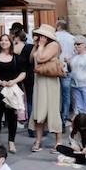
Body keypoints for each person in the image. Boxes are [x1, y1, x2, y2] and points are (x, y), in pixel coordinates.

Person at [28, 24, 62, 152]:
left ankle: (58, 142)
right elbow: (32, 58)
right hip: (39, 81)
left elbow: (41, 58)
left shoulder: (54, 45)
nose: (39, 37)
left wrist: (41, 46)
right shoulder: (40, 45)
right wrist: (37, 45)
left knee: (52, 110)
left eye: (41, 35)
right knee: (39, 110)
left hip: (50, 81)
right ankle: (38, 140)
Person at [0, 33, 24, 153]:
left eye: (6, 40)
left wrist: (13, 81)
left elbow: (23, 73)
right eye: (2, 40)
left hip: (12, 90)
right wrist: (0, 82)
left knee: (12, 117)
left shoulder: (16, 57)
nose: (4, 42)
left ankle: (11, 142)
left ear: (10, 42)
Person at [54, 18, 76, 124]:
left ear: (58, 26)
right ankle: (65, 116)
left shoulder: (54, 36)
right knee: (66, 94)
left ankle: (56, 115)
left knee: (55, 94)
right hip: (67, 68)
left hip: (54, 69)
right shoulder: (72, 38)